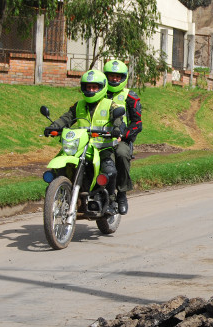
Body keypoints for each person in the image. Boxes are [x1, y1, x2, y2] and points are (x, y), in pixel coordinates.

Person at [46, 69, 125, 215]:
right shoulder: (79, 105)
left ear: (101, 87)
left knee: (110, 172)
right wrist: (53, 127)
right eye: (88, 87)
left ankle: (111, 201)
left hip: (102, 148)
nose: (91, 90)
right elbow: (66, 118)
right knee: (57, 166)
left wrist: (117, 129)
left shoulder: (110, 105)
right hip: (81, 147)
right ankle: (57, 195)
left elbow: (119, 119)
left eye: (94, 87)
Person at [103, 59, 142, 215]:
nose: (115, 79)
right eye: (112, 76)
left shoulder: (130, 96)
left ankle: (121, 194)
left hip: (121, 139)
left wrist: (124, 135)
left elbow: (137, 123)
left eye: (118, 77)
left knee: (120, 154)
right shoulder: (99, 92)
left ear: (124, 78)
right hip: (98, 137)